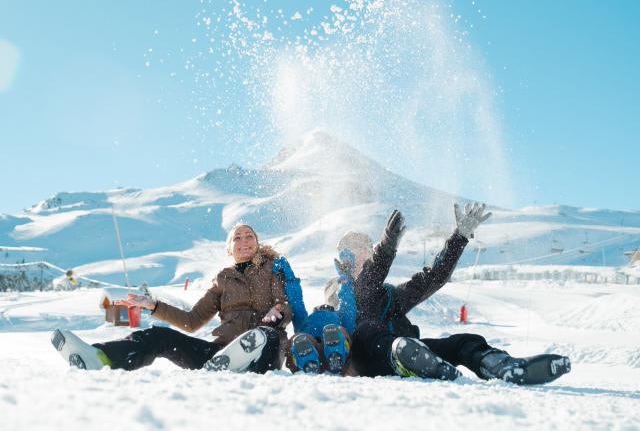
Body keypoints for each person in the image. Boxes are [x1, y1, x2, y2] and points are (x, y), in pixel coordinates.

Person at [331, 204, 572, 385]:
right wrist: (385, 249)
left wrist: (459, 238)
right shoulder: (338, 290)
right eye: (355, 252)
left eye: (366, 249)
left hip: (411, 355)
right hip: (368, 360)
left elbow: (433, 278)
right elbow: (363, 290)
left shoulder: (390, 297)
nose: (363, 255)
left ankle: (501, 366)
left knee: (463, 342)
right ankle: (406, 355)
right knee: (367, 330)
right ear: (344, 260)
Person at [51, 223, 292, 374]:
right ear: (230, 249)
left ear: (258, 243)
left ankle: (242, 365)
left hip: (264, 351)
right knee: (158, 335)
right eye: (237, 238)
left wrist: (279, 310)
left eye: (249, 235)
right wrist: (154, 306)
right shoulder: (223, 280)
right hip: (221, 354)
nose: (244, 240)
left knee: (265, 335)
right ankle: (101, 358)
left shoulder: (274, 269)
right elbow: (192, 320)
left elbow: (287, 304)